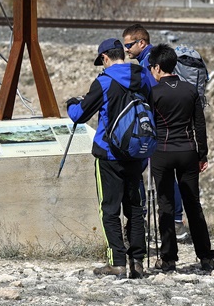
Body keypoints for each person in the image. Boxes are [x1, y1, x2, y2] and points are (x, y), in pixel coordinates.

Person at [67, 38, 154, 279]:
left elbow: (80, 115)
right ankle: (137, 262)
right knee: (135, 208)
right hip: (137, 151)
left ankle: (116, 262)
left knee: (110, 209)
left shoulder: (104, 81)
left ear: (105, 57)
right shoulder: (143, 76)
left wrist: (71, 104)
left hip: (109, 154)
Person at [146, 44, 214, 273]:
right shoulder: (190, 90)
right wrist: (202, 154)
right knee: (193, 204)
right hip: (188, 151)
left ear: (158, 67)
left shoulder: (153, 92)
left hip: (162, 152)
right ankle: (205, 256)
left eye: (151, 67)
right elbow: (199, 125)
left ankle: (168, 259)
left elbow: (149, 125)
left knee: (165, 205)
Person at [123, 23, 187, 243]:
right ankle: (175, 220)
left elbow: (153, 93)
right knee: (165, 174)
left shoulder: (149, 63)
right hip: (169, 125)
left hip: (155, 127)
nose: (126, 50)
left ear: (141, 43)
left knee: (145, 172)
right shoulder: (152, 58)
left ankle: (149, 220)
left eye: (129, 45)